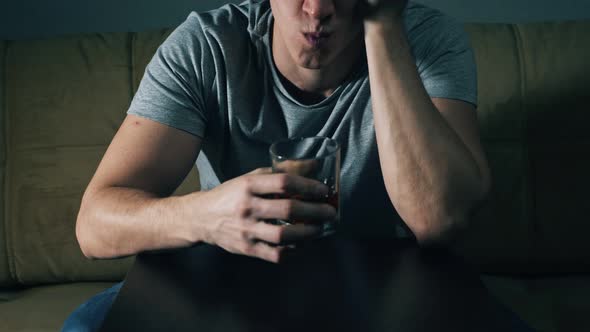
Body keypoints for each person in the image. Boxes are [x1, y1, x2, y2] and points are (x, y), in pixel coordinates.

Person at [62, 0, 492, 331]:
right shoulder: (205, 47)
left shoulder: (427, 39)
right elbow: (94, 226)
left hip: (382, 291)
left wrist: (382, 27)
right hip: (228, 288)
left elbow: (441, 220)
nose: (318, 9)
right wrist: (208, 215)